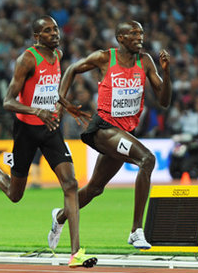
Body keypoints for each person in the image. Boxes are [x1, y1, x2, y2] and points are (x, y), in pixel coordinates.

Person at [0, 16, 97, 268]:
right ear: (36, 36)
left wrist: (65, 105)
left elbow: (50, 90)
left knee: (70, 184)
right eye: (47, 31)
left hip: (50, 128)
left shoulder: (57, 55)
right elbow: (8, 101)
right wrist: (37, 111)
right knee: (16, 195)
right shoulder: (27, 59)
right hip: (26, 130)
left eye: (55, 29)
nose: (54, 33)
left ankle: (75, 253)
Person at [56, 20, 171, 250]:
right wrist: (62, 100)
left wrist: (167, 73)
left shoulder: (145, 61)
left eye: (141, 33)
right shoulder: (104, 58)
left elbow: (164, 101)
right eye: (134, 34)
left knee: (95, 189)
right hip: (103, 128)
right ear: (120, 38)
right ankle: (136, 230)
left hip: (125, 131)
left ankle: (58, 217)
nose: (140, 38)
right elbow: (72, 68)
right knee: (147, 159)